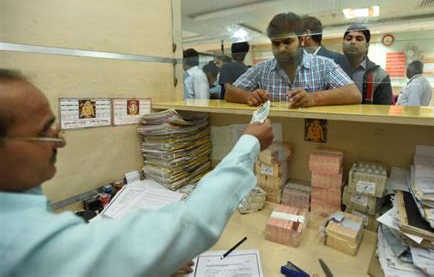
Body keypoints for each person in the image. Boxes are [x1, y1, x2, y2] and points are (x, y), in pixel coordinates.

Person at [0, 69, 274, 277]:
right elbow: (189, 224)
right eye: (44, 129)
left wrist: (145, 265)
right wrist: (249, 144)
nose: (58, 137)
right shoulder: (18, 241)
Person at [225, 12, 361, 108]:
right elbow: (230, 93)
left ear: (301, 40)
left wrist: (313, 98)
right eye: (276, 43)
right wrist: (249, 96)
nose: (281, 49)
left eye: (287, 42)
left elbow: (353, 94)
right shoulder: (261, 68)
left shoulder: (324, 65)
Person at [342, 24, 393, 105]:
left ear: (367, 45)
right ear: (343, 43)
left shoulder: (379, 76)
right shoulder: (331, 69)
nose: (352, 42)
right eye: (348, 38)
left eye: (359, 39)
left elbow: (385, 112)